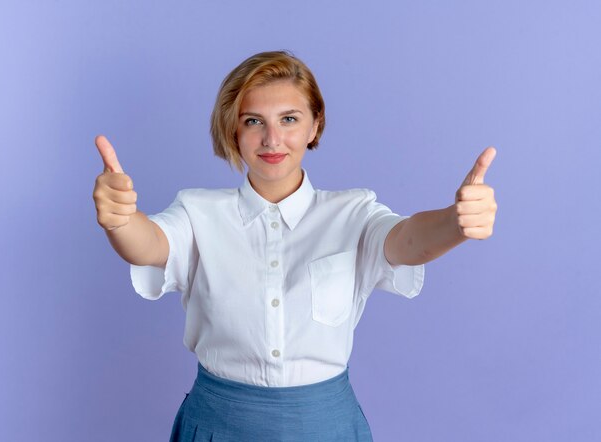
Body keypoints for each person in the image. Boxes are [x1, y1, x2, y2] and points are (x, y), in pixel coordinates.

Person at [92, 50, 497, 441]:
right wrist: (122, 220)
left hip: (327, 426)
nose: (272, 139)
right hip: (218, 424)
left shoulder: (353, 212)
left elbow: (407, 241)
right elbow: (148, 246)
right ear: (234, 128)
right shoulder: (197, 212)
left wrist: (453, 223)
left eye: (289, 119)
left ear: (314, 126)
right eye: (254, 121)